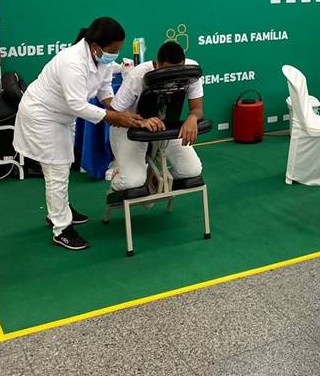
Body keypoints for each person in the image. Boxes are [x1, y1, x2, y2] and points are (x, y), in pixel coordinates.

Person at [13, 17, 144, 250]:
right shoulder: (72, 62)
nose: (115, 54)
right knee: (57, 169)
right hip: (42, 115)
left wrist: (115, 110)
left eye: (118, 50)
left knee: (62, 165)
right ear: (96, 46)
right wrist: (116, 118)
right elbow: (77, 105)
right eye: (113, 50)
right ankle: (61, 229)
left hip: (61, 116)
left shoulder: (99, 58)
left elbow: (104, 89)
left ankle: (58, 210)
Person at [109, 41, 203, 195]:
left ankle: (155, 178)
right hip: (129, 128)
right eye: (167, 71)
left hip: (165, 126)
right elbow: (113, 115)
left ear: (184, 63)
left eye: (177, 70)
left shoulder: (192, 71)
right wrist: (142, 121)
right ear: (155, 64)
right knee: (132, 182)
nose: (171, 77)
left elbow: (197, 109)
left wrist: (192, 118)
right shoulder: (137, 75)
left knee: (191, 170)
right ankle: (120, 174)